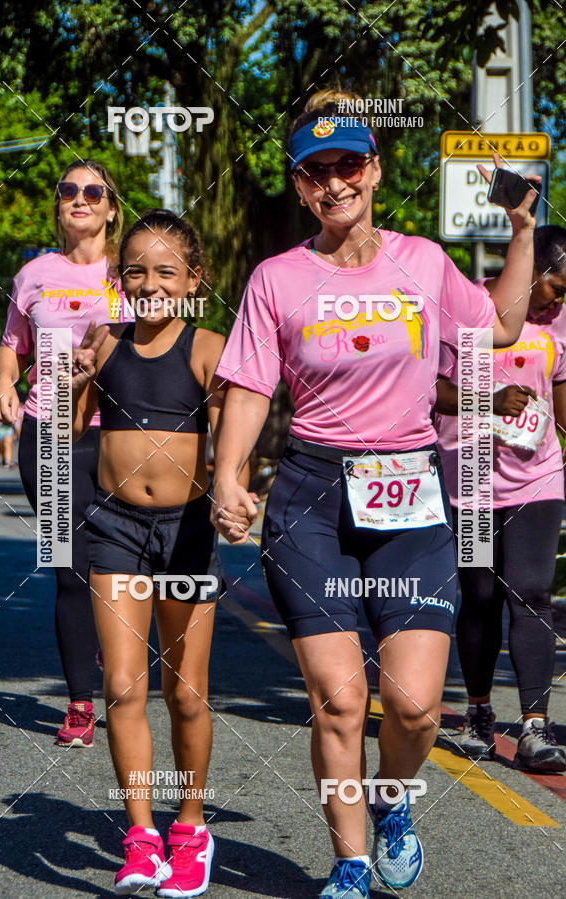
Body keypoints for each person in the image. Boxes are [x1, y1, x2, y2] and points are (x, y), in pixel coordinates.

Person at [210, 88, 538, 898]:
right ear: (300, 186)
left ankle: (391, 797)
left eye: (348, 165)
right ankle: (349, 862)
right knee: (339, 700)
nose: (334, 183)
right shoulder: (277, 279)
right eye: (315, 171)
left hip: (409, 495)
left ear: (375, 170)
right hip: (312, 494)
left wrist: (523, 230)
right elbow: (251, 386)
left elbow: (498, 326)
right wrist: (227, 474)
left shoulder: (422, 262)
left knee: (417, 707)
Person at [72, 209, 250, 897]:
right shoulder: (106, 342)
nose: (150, 283)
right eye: (137, 271)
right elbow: (68, 423)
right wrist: (74, 376)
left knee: (184, 691)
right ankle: (141, 835)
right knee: (122, 686)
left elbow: (234, 431)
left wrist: (235, 490)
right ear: (120, 279)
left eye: (166, 271)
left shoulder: (208, 347)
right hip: (115, 526)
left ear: (193, 279)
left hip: (186, 534)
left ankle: (191, 825)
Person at [0, 159, 126, 747]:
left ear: (112, 208)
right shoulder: (34, 274)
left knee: (114, 568)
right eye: (68, 189)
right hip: (48, 433)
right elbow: (10, 346)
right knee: (69, 569)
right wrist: (3, 385)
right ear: (58, 204)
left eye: (93, 191)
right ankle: (78, 701)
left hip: (118, 432)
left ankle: (114, 660)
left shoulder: (130, 272)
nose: (80, 198)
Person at [435, 224, 566, 772]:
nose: (561, 298)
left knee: (532, 592)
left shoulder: (560, 325)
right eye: (558, 285)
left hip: (538, 477)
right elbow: (432, 389)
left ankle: (536, 726)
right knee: (482, 596)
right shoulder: (469, 308)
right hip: (470, 477)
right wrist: (487, 400)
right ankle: (479, 713)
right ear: (533, 270)